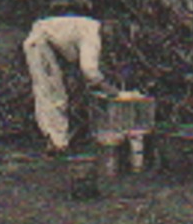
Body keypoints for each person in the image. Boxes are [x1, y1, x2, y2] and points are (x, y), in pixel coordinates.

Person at [22, 15, 121, 154]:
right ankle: (58, 143)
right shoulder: (92, 36)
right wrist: (105, 86)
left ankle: (54, 139)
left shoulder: (89, 26)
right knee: (53, 94)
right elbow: (88, 69)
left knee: (48, 92)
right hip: (40, 45)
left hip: (40, 42)